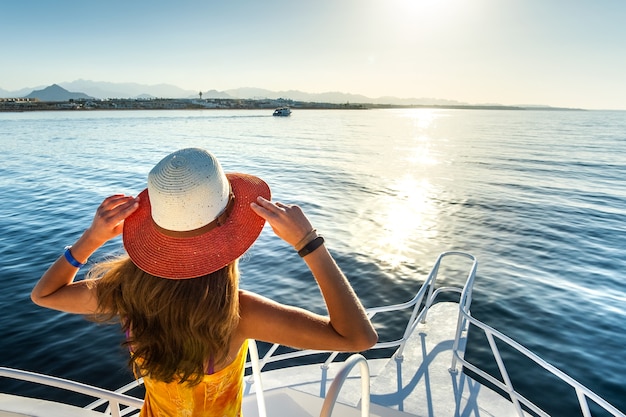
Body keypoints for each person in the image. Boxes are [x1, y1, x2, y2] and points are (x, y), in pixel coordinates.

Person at [31, 147, 378, 417]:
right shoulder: (239, 314)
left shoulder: (126, 292)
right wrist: (310, 243)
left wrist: (91, 239)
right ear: (231, 233)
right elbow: (357, 337)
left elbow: (44, 295)